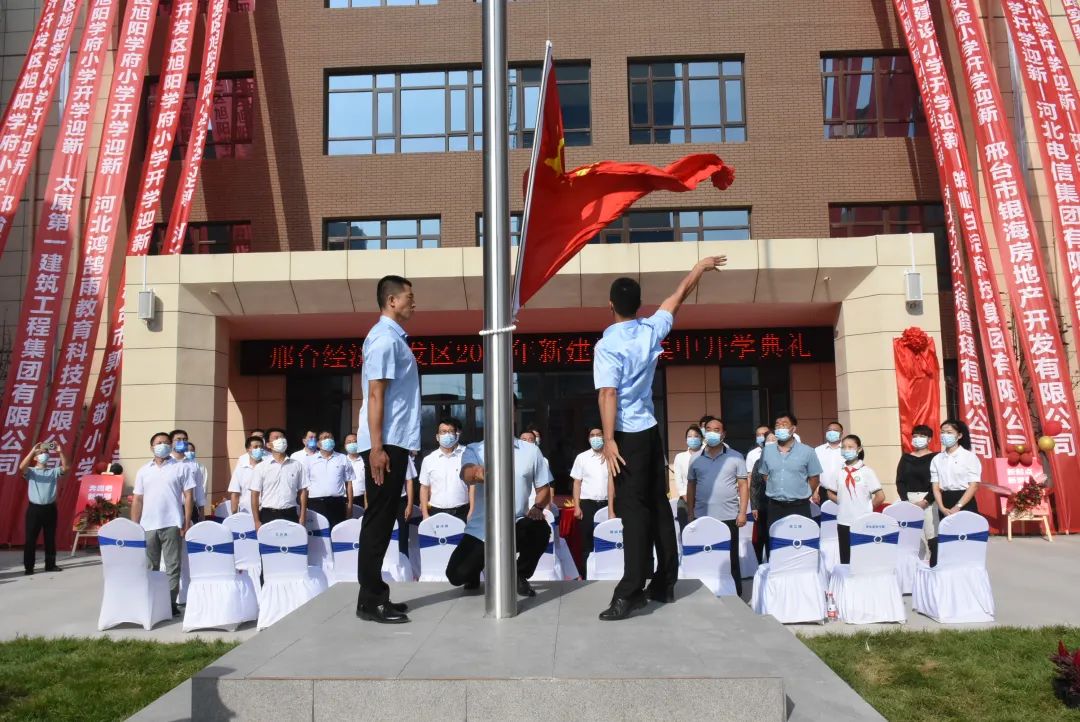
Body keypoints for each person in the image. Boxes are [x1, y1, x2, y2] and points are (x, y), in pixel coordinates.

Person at [593, 256, 727, 621]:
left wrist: (608, 440)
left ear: (610, 305)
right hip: (651, 431)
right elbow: (677, 296)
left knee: (633, 513)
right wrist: (700, 267)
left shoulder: (607, 346)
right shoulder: (651, 328)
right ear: (637, 305)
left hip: (627, 434)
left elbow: (608, 393)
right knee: (657, 505)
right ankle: (665, 581)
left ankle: (631, 591)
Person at [355, 275, 420, 624]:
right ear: (391, 301)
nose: (414, 302)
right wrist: (377, 447)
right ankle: (370, 600)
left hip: (393, 442)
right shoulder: (383, 339)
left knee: (382, 519)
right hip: (385, 444)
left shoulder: (393, 339)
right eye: (409, 297)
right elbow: (376, 393)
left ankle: (374, 594)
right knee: (379, 520)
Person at [446, 436, 553, 597]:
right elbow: (466, 473)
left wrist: (537, 507)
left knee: (541, 529)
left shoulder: (530, 450)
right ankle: (474, 572)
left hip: (515, 523)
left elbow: (544, 488)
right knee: (456, 575)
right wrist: (479, 473)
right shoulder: (475, 449)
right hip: (482, 529)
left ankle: (519, 574)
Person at [131, 432, 195, 615]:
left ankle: (170, 603)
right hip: (148, 524)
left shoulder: (181, 468)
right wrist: (134, 525)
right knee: (151, 566)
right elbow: (137, 499)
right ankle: (152, 600)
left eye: (166, 443)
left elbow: (188, 495)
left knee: (173, 565)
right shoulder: (144, 470)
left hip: (172, 522)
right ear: (151, 447)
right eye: (159, 443)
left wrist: (186, 520)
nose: (163, 445)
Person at [685, 418, 748, 595]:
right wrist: (690, 512)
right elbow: (691, 486)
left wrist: (742, 512)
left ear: (723, 434)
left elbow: (743, 485)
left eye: (717, 429)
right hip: (702, 516)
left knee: (730, 558)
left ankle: (736, 595)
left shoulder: (736, 456)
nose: (712, 433)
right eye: (709, 429)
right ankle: (703, 593)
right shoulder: (695, 458)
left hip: (728, 516)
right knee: (704, 557)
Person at [823, 434, 883, 564]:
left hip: (862, 521)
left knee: (862, 557)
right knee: (846, 558)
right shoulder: (839, 471)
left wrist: (867, 509)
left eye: (850, 447)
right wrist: (843, 503)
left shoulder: (866, 471)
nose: (846, 450)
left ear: (859, 449)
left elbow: (880, 496)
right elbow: (830, 492)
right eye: (844, 447)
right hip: (844, 521)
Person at [930, 419, 981, 566]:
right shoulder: (937, 459)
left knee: (966, 540)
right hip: (944, 500)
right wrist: (941, 506)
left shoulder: (969, 457)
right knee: (947, 542)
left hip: (964, 500)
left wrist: (958, 506)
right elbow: (936, 486)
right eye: (942, 433)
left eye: (949, 433)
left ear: (959, 435)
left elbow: (973, 485)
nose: (945, 436)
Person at [757, 412, 822, 524]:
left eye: (784, 424)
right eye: (777, 425)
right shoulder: (767, 451)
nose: (780, 427)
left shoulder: (808, 451)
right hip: (774, 506)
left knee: (799, 539)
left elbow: (814, 478)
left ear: (793, 429)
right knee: (776, 540)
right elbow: (765, 475)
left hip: (799, 506)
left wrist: (802, 493)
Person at [571, 427, 616, 577]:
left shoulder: (610, 456)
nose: (595, 438)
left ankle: (608, 573)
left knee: (608, 539)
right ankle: (586, 575)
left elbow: (613, 481)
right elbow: (577, 483)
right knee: (587, 542)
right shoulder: (582, 458)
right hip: (587, 504)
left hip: (606, 504)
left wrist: (611, 508)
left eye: (598, 435)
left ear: (604, 437)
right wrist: (577, 506)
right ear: (588, 438)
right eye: (592, 435)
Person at [20, 441, 69, 575]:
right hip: (34, 510)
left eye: (46, 453)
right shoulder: (31, 472)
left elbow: (66, 468)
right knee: (30, 539)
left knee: (50, 538)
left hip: (50, 509)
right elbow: (21, 467)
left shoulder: (53, 472)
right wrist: (32, 451)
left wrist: (60, 452)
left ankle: (50, 564)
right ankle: (29, 567)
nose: (44, 455)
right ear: (36, 458)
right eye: (41, 453)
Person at [250, 427, 309, 527]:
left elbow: (303, 492)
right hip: (268, 514)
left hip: (290, 514)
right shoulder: (261, 467)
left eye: (282, 437)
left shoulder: (297, 465)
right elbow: (254, 495)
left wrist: (303, 515)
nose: (280, 440)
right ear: (268, 444)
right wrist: (256, 521)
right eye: (276, 438)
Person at [895, 424, 937, 560]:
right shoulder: (906, 458)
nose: (918, 439)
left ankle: (932, 566)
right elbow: (900, 481)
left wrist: (926, 501)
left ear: (929, 439)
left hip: (929, 500)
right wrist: (906, 501)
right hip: (909, 500)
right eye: (915, 436)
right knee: (912, 537)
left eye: (922, 436)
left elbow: (937, 482)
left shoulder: (936, 458)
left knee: (931, 535)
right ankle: (915, 566)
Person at [419, 418, 470, 522]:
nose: (447, 435)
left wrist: (471, 512)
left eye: (451, 431)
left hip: (462, 512)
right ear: (437, 437)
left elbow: (473, 486)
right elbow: (424, 488)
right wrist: (425, 514)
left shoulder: (467, 455)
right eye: (443, 432)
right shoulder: (429, 459)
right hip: (436, 512)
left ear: (456, 435)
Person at [306, 431, 354, 530]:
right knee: (317, 535)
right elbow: (305, 486)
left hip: (337, 503)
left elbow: (349, 483)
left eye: (330, 437)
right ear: (318, 443)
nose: (328, 439)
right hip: (316, 504)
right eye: (324, 438)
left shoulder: (343, 458)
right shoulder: (309, 460)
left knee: (337, 533)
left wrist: (349, 506)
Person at [749, 432, 776, 562]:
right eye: (768, 440)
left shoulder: (784, 461)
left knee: (774, 534)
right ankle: (760, 563)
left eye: (774, 439)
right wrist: (754, 506)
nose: (771, 442)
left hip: (777, 504)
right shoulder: (758, 462)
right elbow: (753, 485)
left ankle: (773, 560)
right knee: (761, 536)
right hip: (762, 504)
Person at [169, 430, 206, 522]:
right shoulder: (166, 463)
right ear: (171, 443)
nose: (182, 442)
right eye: (178, 439)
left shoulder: (193, 464)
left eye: (185, 439)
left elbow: (199, 489)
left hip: (189, 508)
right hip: (169, 508)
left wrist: (201, 512)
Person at [672, 425, 704, 523]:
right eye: (689, 436)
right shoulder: (680, 457)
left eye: (696, 436)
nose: (692, 439)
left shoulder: (706, 456)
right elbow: (678, 480)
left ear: (702, 439)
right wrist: (686, 497)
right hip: (685, 501)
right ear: (686, 439)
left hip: (703, 501)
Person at [229, 435, 265, 515]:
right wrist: (234, 515)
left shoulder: (268, 468)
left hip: (265, 512)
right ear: (248, 450)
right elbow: (235, 493)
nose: (259, 449)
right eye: (255, 447)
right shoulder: (241, 469)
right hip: (246, 512)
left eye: (261, 447)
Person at [813, 421, 844, 505]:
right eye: (829, 430)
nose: (832, 432)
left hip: (843, 491)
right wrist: (814, 492)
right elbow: (813, 473)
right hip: (822, 492)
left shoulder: (846, 450)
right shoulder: (818, 450)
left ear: (841, 434)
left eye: (835, 430)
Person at [183, 441, 209, 522]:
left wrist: (202, 512)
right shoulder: (176, 466)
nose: (190, 453)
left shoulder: (200, 467)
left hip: (193, 507)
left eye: (192, 451)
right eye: (187, 451)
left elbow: (202, 490)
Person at [345, 433, 366, 510]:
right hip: (345, 500)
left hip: (362, 499)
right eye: (349, 442)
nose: (352, 444)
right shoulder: (342, 460)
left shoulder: (365, 461)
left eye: (355, 441)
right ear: (345, 445)